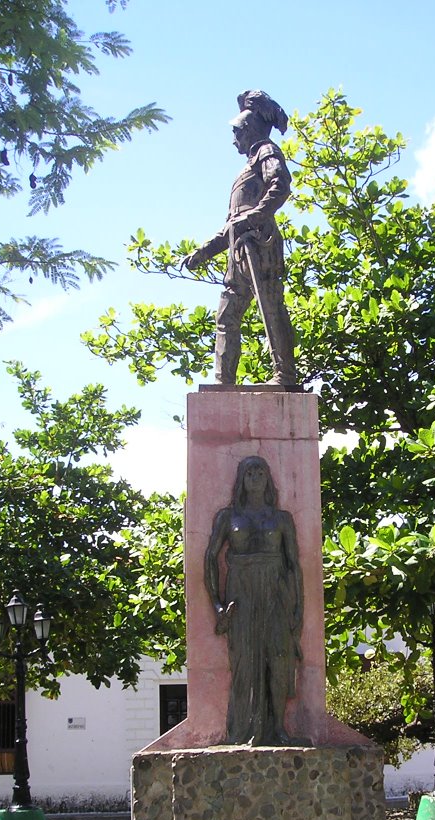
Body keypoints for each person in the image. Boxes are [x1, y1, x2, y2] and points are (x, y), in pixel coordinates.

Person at [183, 90, 297, 387]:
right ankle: (224, 382)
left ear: (248, 131)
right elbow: (232, 224)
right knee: (227, 314)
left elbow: (280, 184)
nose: (233, 138)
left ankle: (285, 374)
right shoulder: (246, 168)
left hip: (260, 244)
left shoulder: (266, 151)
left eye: (236, 132)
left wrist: (257, 216)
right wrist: (204, 252)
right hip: (239, 250)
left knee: (270, 306)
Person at [204, 455, 303, 745]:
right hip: (241, 593)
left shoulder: (282, 518)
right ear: (242, 480)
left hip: (275, 592)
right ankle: (246, 729)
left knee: (278, 659)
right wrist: (217, 604)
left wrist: (299, 606)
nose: (256, 477)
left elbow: (294, 564)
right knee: (245, 663)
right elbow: (210, 558)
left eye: (261, 472)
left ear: (268, 479)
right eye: (250, 472)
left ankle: (278, 728)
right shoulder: (228, 516)